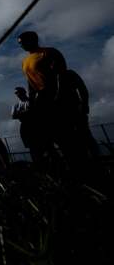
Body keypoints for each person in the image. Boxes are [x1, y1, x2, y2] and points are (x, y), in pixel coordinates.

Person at [18, 31, 76, 165]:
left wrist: (59, 95)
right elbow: (30, 82)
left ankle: (78, 165)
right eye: (19, 44)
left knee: (64, 135)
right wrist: (32, 101)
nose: (21, 46)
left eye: (22, 42)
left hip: (56, 96)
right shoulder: (25, 61)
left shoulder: (50, 52)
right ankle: (59, 167)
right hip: (40, 100)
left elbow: (61, 75)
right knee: (45, 136)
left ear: (32, 40)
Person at [61, 69, 101, 159]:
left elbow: (82, 89)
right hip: (70, 111)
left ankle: (94, 158)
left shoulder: (67, 74)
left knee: (83, 136)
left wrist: (85, 105)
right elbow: (82, 88)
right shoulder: (67, 74)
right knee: (83, 136)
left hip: (73, 110)